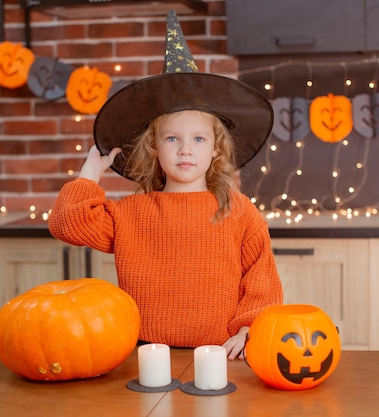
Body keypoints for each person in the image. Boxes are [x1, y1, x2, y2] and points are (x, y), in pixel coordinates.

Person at [48, 10, 283, 360]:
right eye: (172, 138)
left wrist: (250, 326)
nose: (186, 149)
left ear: (216, 147)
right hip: (144, 352)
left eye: (199, 139)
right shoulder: (130, 214)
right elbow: (67, 223)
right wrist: (90, 173)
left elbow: (261, 277)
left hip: (220, 353)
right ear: (154, 147)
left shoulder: (237, 211)